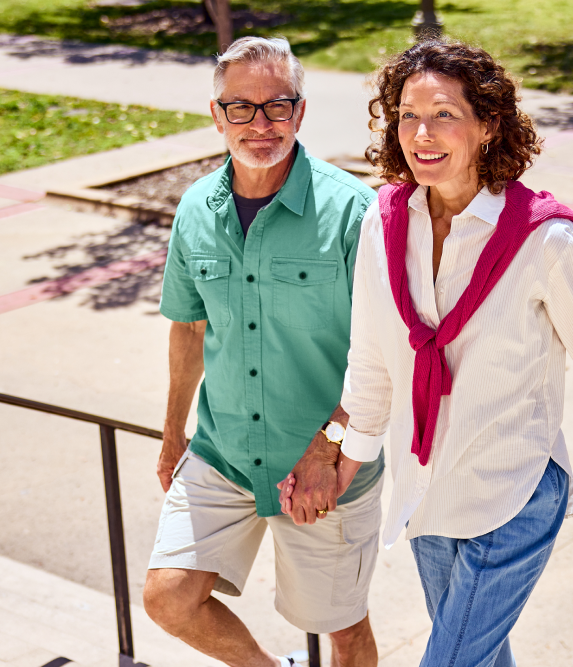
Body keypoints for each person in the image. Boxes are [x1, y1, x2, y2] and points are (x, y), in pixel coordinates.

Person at [285, 39, 573, 667]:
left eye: (444, 114)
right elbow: (373, 361)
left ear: (488, 125)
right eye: (406, 115)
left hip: (513, 495)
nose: (421, 134)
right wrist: (344, 462)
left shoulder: (546, 241)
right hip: (426, 492)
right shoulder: (382, 223)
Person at [146, 36, 385, 667]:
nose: (261, 124)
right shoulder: (197, 208)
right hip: (221, 452)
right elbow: (189, 329)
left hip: (325, 468)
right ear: (217, 114)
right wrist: (174, 433)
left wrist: (327, 446)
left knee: (344, 630)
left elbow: (389, 351)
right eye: (241, 109)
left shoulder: (355, 213)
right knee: (169, 597)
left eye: (277, 106)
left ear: (300, 112)